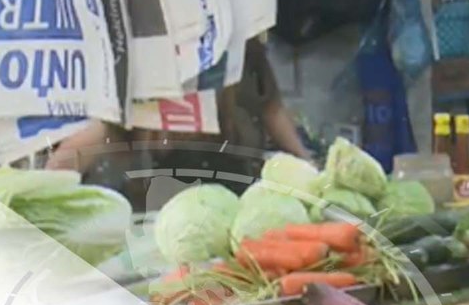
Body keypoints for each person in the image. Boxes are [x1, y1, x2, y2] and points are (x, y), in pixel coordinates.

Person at [46, 37, 312, 205]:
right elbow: (105, 129)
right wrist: (46, 185)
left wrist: (308, 166)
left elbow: (271, 108)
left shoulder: (241, 46)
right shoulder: (143, 55)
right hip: (159, 205)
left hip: (237, 189)